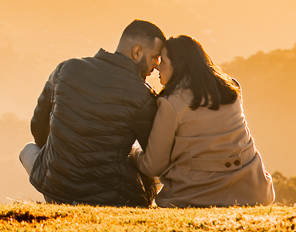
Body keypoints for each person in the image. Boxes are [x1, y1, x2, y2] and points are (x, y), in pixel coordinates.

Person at [20, 19, 164, 205]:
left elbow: (38, 128)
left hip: (56, 189)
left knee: (28, 149)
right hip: (111, 198)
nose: (157, 65)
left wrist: (64, 152)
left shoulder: (66, 69)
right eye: (155, 57)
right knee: (139, 154)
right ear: (137, 52)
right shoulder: (144, 96)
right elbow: (153, 157)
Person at [132, 34, 275, 207]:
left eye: (162, 61)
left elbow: (153, 166)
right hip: (252, 190)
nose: (157, 66)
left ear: (178, 66)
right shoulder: (231, 89)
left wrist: (133, 152)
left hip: (199, 195)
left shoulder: (171, 104)